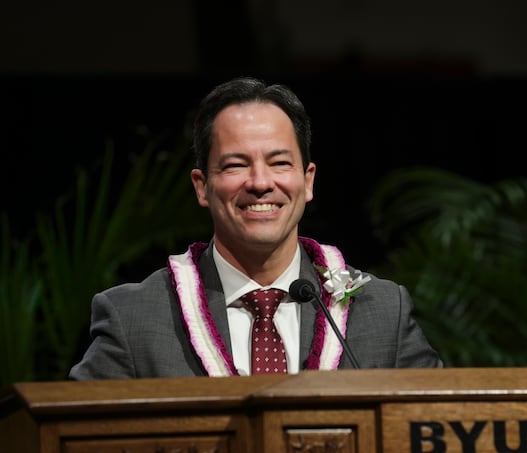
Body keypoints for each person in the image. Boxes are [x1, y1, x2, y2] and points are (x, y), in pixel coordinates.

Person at [69, 76, 442, 379]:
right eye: (235, 166)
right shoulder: (133, 318)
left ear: (307, 180)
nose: (261, 182)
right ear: (202, 186)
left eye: (280, 163)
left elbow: (438, 435)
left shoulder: (382, 312)